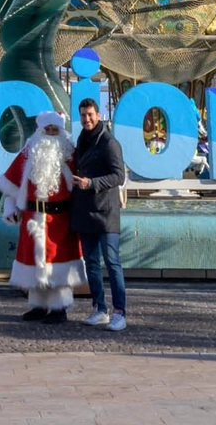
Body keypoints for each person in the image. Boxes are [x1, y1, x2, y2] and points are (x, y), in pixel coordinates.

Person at [0, 111, 85, 324]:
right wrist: (10, 208)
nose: (51, 134)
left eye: (55, 130)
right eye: (48, 130)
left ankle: (59, 308)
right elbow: (11, 185)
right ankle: (38, 306)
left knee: (59, 264)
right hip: (33, 218)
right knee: (34, 264)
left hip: (61, 219)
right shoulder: (28, 153)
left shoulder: (71, 155)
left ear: (61, 131)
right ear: (40, 131)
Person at [70, 98, 128, 332]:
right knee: (91, 263)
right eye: (83, 115)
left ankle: (120, 312)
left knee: (112, 263)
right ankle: (100, 309)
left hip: (106, 212)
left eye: (90, 114)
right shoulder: (82, 139)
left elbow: (118, 176)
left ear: (99, 114)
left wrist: (91, 183)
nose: (87, 119)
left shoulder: (109, 142)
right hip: (85, 211)